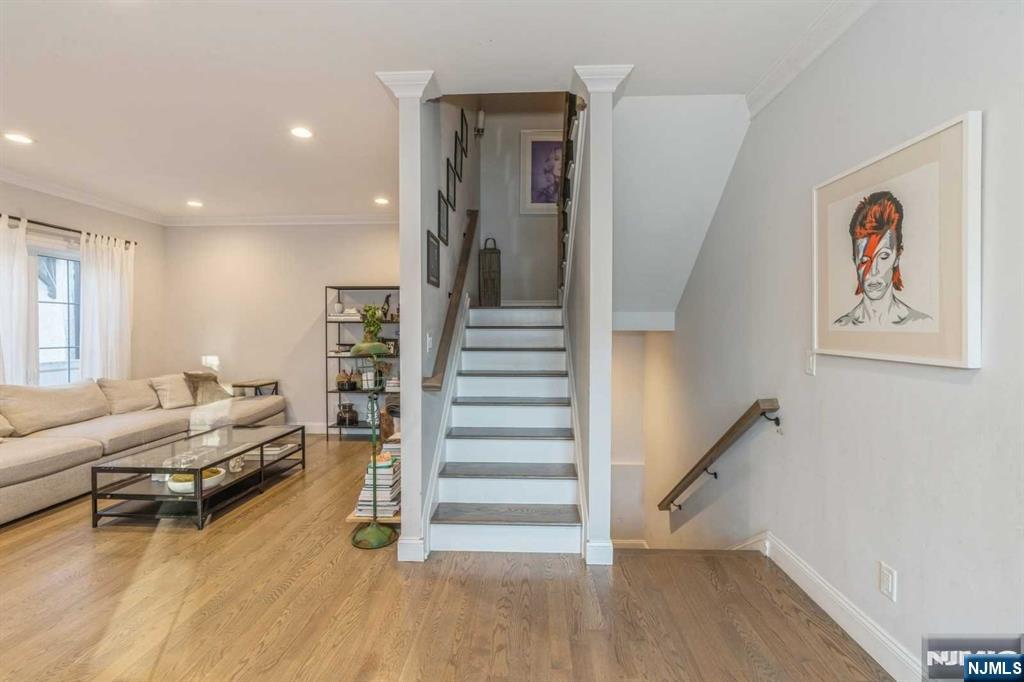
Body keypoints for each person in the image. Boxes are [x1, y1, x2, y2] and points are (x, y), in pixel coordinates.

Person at [833, 190, 931, 327]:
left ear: (897, 256)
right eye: (864, 260)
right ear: (854, 260)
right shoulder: (842, 325)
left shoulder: (921, 323)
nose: (873, 271)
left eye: (883, 256)